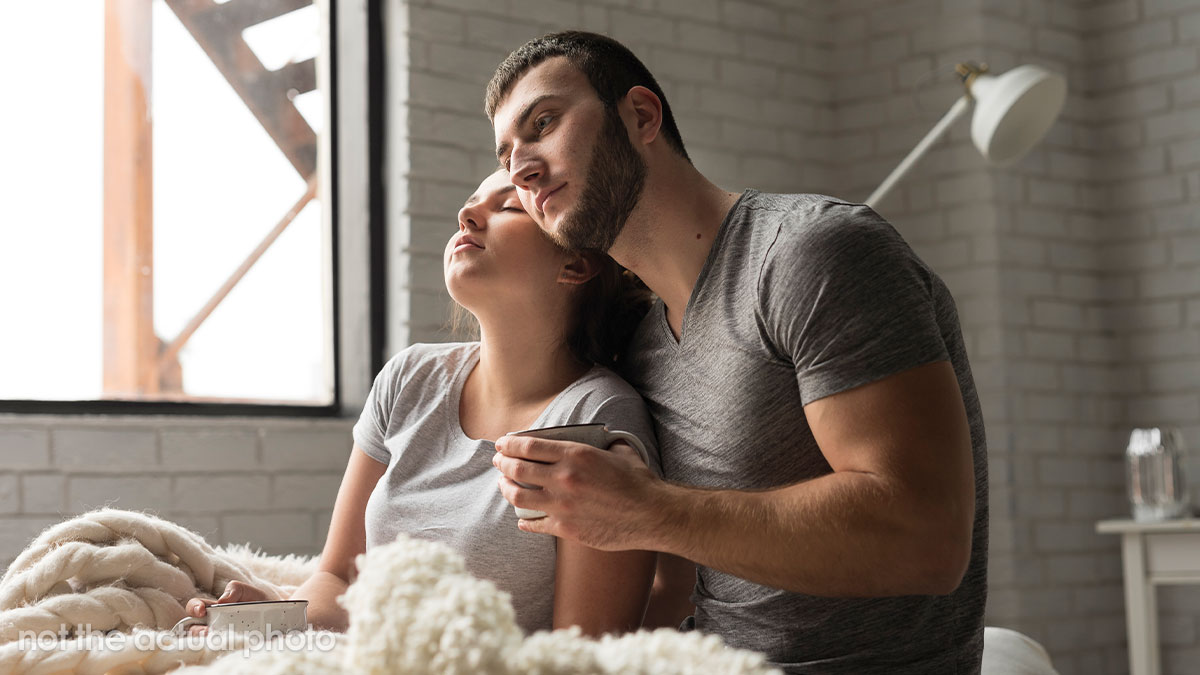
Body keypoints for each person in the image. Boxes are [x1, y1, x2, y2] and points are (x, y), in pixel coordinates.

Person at [487, 31, 988, 674]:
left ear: (640, 116)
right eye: (506, 156)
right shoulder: (638, 345)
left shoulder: (813, 254)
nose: (521, 167)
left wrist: (648, 511)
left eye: (545, 123)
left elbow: (927, 539)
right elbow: (670, 583)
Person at [184, 169, 660, 637]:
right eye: (473, 200)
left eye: (509, 206)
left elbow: (584, 654)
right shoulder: (409, 378)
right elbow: (339, 580)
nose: (467, 214)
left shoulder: (595, 418)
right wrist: (271, 619)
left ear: (574, 265)